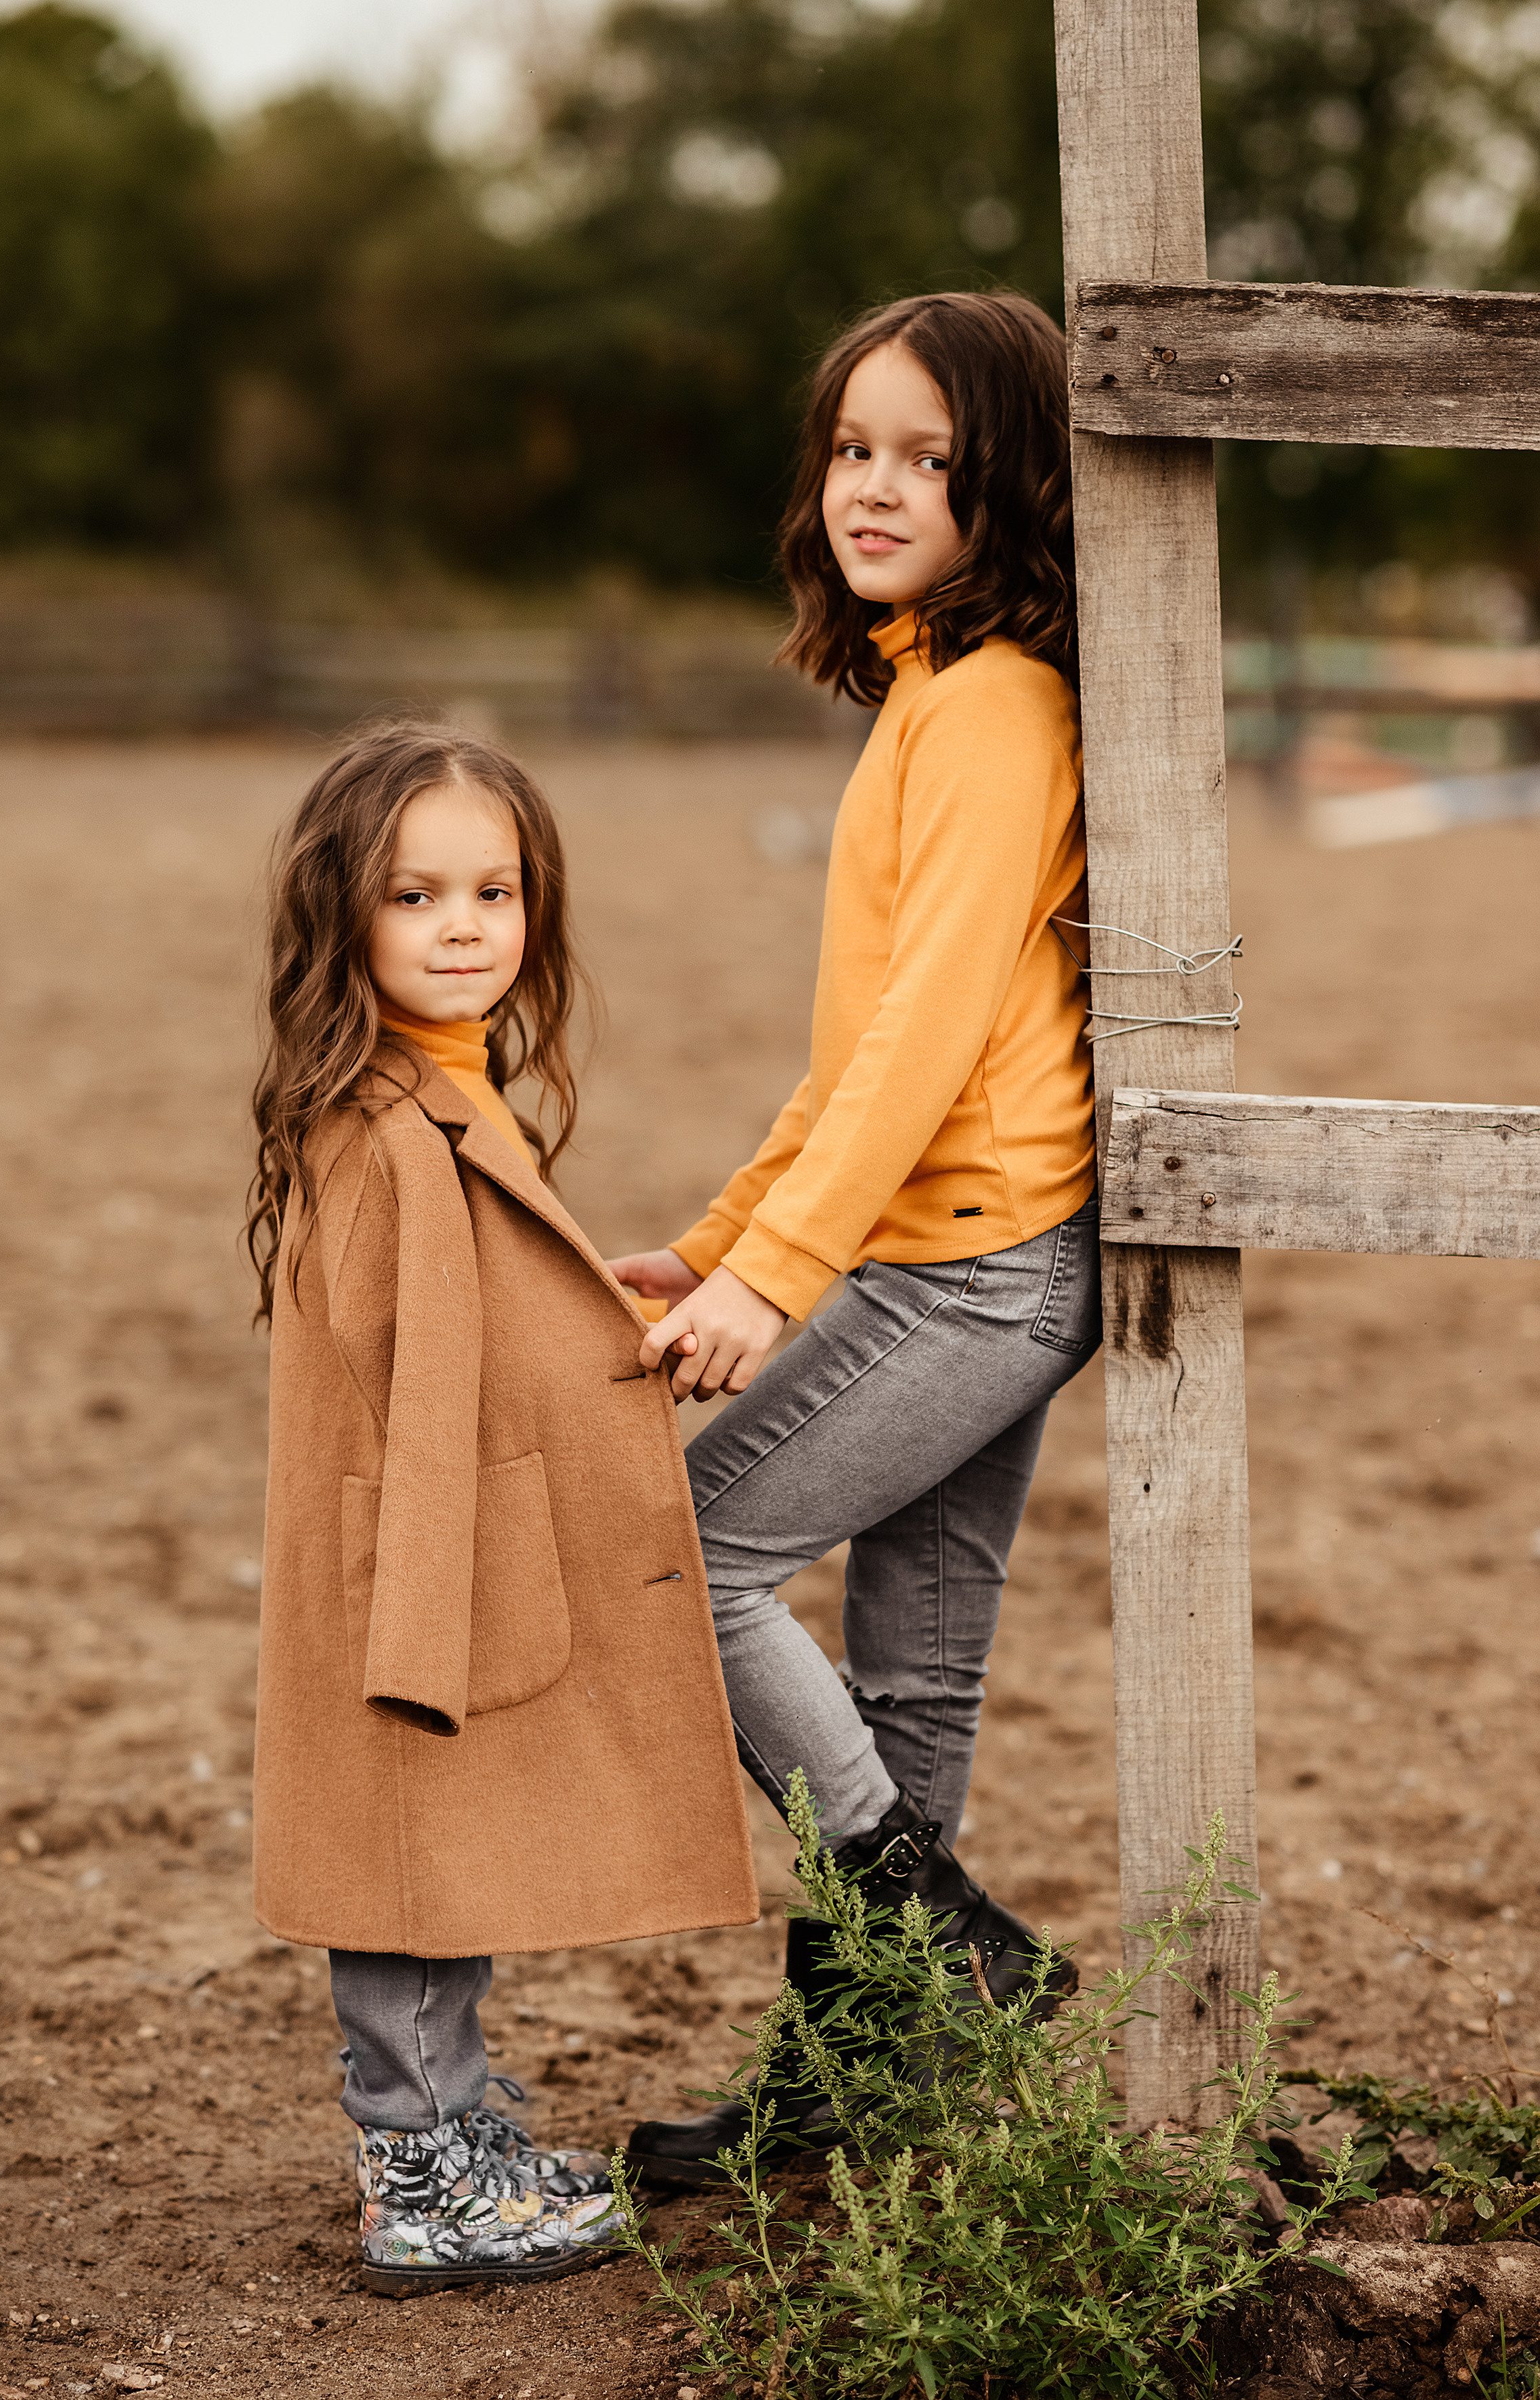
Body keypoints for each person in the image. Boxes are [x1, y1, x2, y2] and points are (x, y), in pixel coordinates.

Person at [609, 291, 1103, 2184]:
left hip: (967, 1261)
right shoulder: (933, 693)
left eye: (927, 457)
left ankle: (933, 1942)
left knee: (683, 1563)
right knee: (905, 1685)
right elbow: (864, 1046)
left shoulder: (991, 710)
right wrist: (722, 1232)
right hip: (958, 1251)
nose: (873, 487)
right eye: (849, 450)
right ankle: (853, 2097)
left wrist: (776, 1276)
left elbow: (929, 1037)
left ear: (1016, 485)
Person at [245, 722, 758, 2289]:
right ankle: (420, 2170)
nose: (463, 925)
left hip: (433, 1534)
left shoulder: (441, 1090)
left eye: (494, 888)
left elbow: (477, 1317)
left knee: (437, 1853)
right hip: (417, 1549)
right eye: (414, 895)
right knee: (405, 1853)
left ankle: (451, 2126)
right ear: (343, 913)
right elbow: (417, 1374)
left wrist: (580, 1322)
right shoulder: (388, 1127)